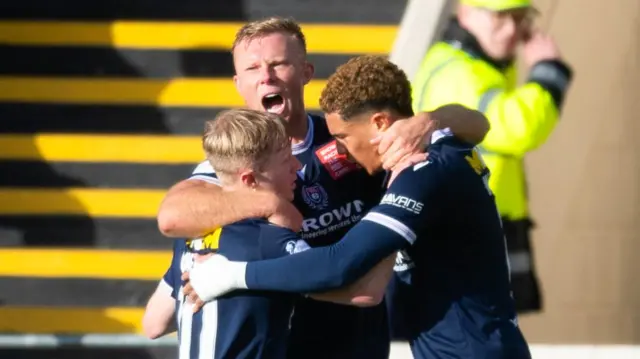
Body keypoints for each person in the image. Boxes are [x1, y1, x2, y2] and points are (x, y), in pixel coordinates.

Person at [157, 17, 489, 359]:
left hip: (363, 345)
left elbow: (478, 125)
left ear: (305, 72)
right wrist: (270, 204)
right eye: (253, 68)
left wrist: (427, 120)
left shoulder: (347, 136)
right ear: (238, 83)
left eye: (278, 64)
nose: (266, 76)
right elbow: (171, 217)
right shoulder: (236, 167)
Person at [144, 109, 399, 358]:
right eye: (285, 159)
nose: (297, 166)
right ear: (250, 179)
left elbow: (154, 323)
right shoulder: (269, 240)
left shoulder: (190, 240)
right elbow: (363, 291)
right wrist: (394, 211)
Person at [411, 0, 573, 313]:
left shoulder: (481, 63)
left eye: (519, 18)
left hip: (488, 223)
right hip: (467, 233)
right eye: (500, 17)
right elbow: (518, 127)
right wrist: (548, 73)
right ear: (465, 12)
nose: (512, 29)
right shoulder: (459, 72)